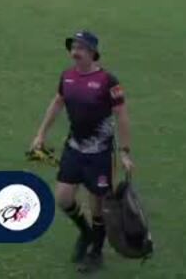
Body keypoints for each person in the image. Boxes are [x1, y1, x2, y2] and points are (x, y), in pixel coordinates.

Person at [29, 31, 133, 273]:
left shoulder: (109, 81)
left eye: (81, 47)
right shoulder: (67, 77)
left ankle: (96, 254)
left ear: (92, 52)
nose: (75, 52)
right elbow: (57, 102)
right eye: (73, 47)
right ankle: (86, 233)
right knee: (63, 198)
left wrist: (125, 152)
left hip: (100, 154)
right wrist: (41, 134)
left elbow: (122, 116)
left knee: (97, 205)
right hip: (74, 148)